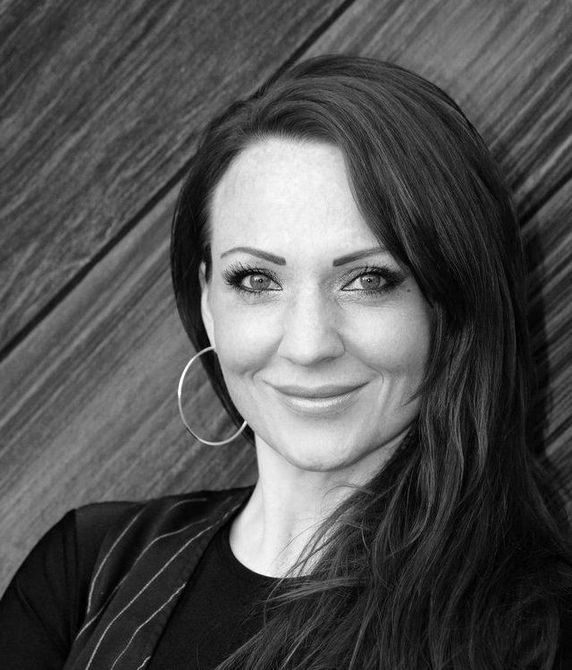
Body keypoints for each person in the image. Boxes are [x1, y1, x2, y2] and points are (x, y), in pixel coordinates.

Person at [0, 55, 570, 670]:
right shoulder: (90, 571)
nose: (308, 344)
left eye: (369, 279)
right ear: (207, 302)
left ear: (450, 303)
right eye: (256, 280)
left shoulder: (537, 631)